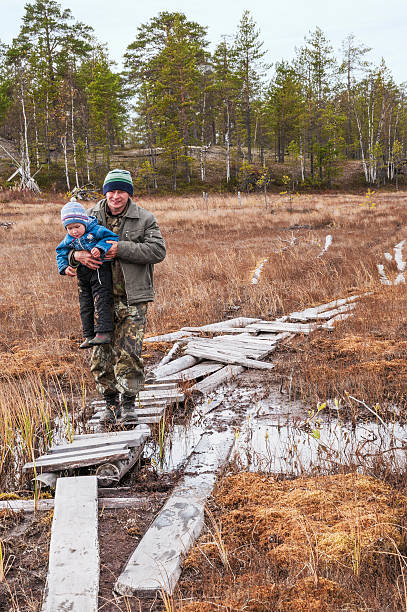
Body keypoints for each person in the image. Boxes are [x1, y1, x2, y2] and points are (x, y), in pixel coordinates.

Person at [66, 169, 166, 424]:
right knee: (101, 354)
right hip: (100, 297)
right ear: (105, 192)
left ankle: (129, 403)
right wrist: (75, 257)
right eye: (111, 190)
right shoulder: (89, 217)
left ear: (129, 193)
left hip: (133, 298)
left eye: (121, 191)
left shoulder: (144, 218)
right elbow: (67, 244)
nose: (116, 196)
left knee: (129, 353)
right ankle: (110, 404)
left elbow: (157, 251)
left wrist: (120, 248)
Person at [56, 200, 119, 349]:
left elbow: (111, 238)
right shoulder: (69, 238)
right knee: (85, 304)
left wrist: (100, 247)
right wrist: (64, 268)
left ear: (84, 222)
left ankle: (103, 332)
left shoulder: (95, 230)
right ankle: (88, 335)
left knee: (101, 300)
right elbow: (61, 252)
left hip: (98, 271)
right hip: (82, 275)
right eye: (70, 228)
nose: (74, 231)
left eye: (77, 227)